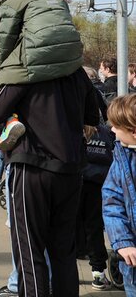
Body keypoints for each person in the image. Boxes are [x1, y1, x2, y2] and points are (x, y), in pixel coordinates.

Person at [0, 64, 99, 297]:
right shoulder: (76, 72)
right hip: (70, 169)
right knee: (64, 253)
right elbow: (92, 115)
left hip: (31, 167)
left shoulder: (27, 68)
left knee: (30, 251)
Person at [0, 0, 84, 152]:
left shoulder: (14, 0)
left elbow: (7, 37)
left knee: (1, 88)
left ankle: (8, 124)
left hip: (38, 52)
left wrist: (4, 65)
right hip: (71, 55)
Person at [102, 94, 136, 296]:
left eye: (117, 126)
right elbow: (112, 201)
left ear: (133, 131)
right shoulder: (122, 155)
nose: (112, 129)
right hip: (132, 265)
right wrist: (123, 241)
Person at [81, 119, 115, 290]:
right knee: (94, 228)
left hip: (73, 183)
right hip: (98, 185)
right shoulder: (105, 133)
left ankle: (65, 272)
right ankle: (98, 274)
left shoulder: (72, 128)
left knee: (67, 228)